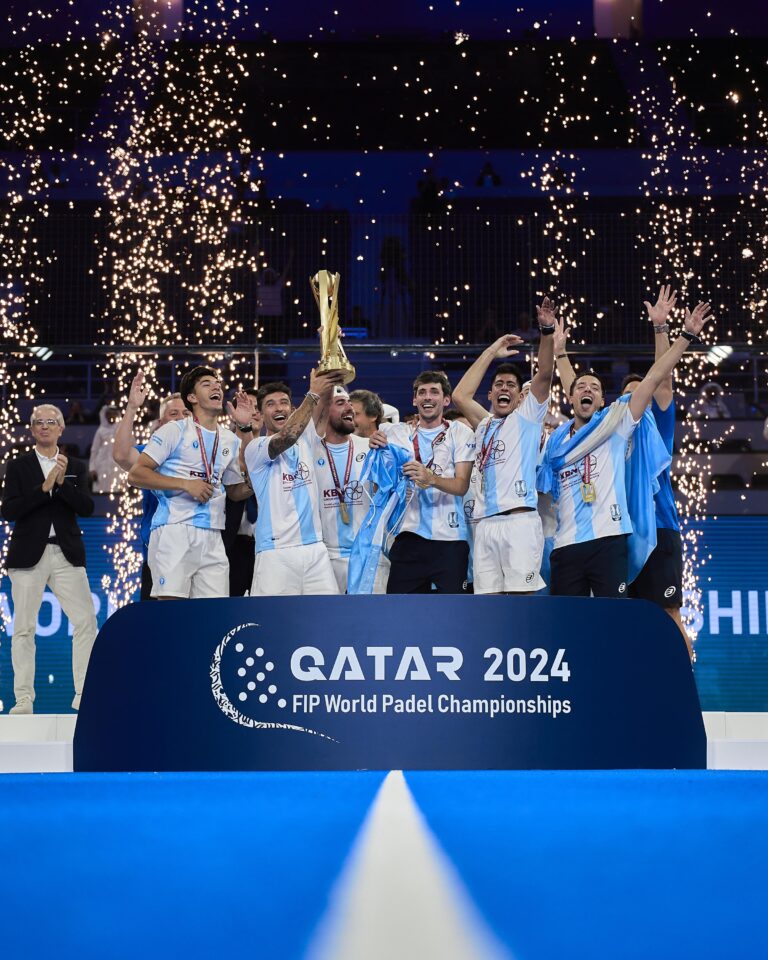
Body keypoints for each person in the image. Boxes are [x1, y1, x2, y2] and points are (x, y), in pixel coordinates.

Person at [541, 300, 714, 599]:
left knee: (615, 619)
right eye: (581, 388)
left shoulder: (614, 426)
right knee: (569, 621)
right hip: (566, 543)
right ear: (570, 397)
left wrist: (684, 336)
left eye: (595, 388)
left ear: (603, 402)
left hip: (609, 541)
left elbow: (656, 378)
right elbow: (576, 387)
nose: (587, 390)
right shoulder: (557, 439)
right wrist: (560, 353)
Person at [451, 298, 558, 594]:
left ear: (520, 396)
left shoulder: (527, 419)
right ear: (490, 394)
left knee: (521, 603)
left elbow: (545, 374)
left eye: (511, 385)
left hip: (519, 521)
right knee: (489, 605)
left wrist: (547, 331)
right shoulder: (484, 423)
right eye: (498, 384)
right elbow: (459, 396)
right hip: (485, 524)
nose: (504, 388)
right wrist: (491, 351)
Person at [1, 404, 98, 713]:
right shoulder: (18, 466)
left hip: (66, 553)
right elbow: (9, 510)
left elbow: (87, 508)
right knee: (23, 628)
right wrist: (43, 488)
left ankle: (84, 695)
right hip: (27, 555)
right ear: (32, 429)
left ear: (61, 428)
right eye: (39, 422)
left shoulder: (76, 465)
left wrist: (61, 484)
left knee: (86, 621)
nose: (45, 426)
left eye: (51, 421)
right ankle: (23, 699)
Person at [127, 366, 253, 599]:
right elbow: (136, 474)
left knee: (212, 613)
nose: (216, 387)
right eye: (207, 384)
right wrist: (186, 484)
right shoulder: (173, 431)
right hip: (175, 528)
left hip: (214, 534)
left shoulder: (229, 439)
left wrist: (256, 481)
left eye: (217, 384)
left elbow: (235, 492)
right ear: (192, 398)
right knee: (172, 609)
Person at [370, 371, 476, 594]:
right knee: (401, 609)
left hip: (450, 540)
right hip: (408, 538)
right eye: (422, 392)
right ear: (414, 400)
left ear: (446, 400)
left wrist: (431, 478)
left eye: (434, 392)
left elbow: (461, 486)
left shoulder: (460, 432)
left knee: (453, 609)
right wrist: (374, 443)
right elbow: (380, 483)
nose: (427, 397)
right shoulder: (396, 433)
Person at [242, 368, 344, 596]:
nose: (279, 408)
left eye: (284, 402)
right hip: (276, 551)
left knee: (326, 614)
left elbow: (324, 405)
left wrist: (329, 369)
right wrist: (312, 394)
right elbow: (287, 436)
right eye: (270, 404)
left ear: (292, 408)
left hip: (315, 548)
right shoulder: (256, 448)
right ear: (260, 414)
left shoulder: (307, 439)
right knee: (273, 617)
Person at [113, 372, 190, 600]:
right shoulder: (151, 454)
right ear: (161, 422)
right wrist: (132, 408)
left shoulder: (208, 450)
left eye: (186, 413)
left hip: (199, 549)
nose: (180, 418)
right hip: (160, 551)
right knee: (159, 619)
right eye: (173, 413)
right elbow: (121, 455)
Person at [312, 386, 386, 594]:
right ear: (324, 410)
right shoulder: (309, 452)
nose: (349, 408)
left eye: (350, 403)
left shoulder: (371, 447)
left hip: (367, 555)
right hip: (325, 558)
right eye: (340, 403)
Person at [222, 388, 261, 596]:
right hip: (230, 542)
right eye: (247, 407)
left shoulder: (273, 449)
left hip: (264, 544)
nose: (253, 412)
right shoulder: (223, 447)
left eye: (257, 407)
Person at [89, 404, 123, 493]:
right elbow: (94, 450)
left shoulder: (121, 430)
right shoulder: (100, 431)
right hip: (101, 465)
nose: (111, 416)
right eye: (109, 414)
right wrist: (92, 468)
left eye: (113, 414)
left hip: (117, 466)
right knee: (100, 489)